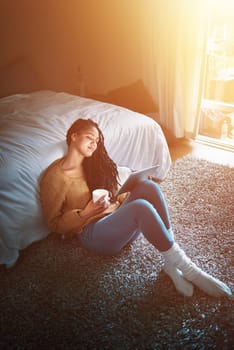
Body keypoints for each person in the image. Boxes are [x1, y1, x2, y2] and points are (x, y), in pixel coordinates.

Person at [40, 118, 232, 298]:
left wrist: (122, 196)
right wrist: (84, 213)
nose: (94, 144)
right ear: (74, 136)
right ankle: (189, 269)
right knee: (140, 207)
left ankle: (170, 263)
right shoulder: (56, 177)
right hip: (94, 236)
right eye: (90, 137)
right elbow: (54, 224)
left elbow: (113, 194)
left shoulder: (92, 165)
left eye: (97, 141)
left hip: (117, 225)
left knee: (149, 186)